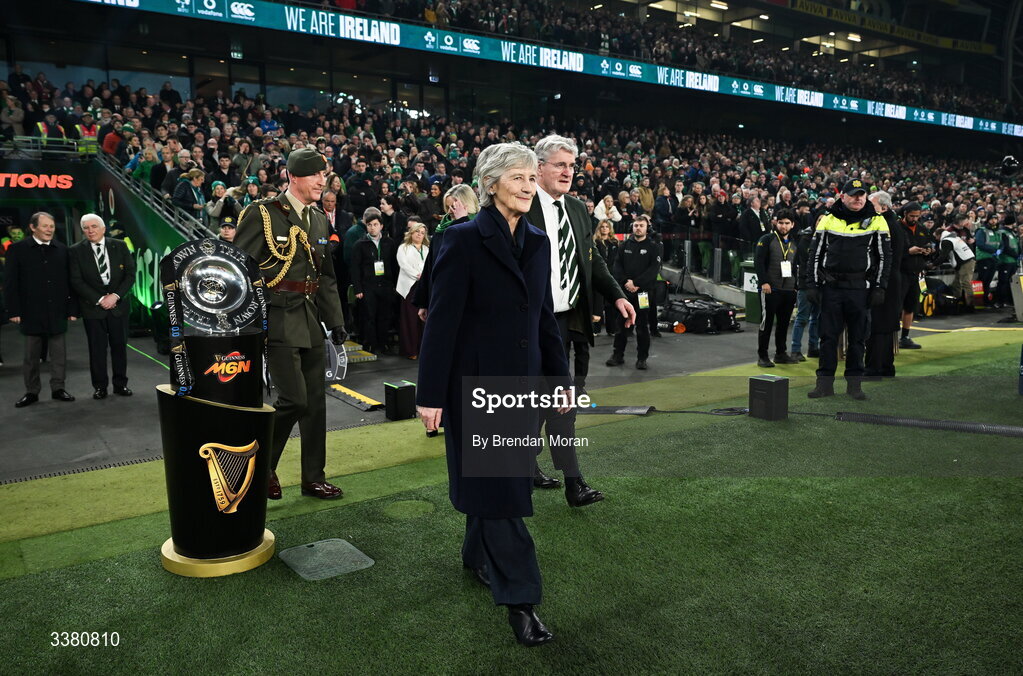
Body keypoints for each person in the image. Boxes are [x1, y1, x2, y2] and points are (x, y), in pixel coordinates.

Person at [416, 142, 568, 647]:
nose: (528, 186)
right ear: (490, 184)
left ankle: (473, 556)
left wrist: (559, 382)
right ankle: (521, 603)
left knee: (493, 485)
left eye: (531, 178)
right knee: (505, 494)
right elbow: (441, 323)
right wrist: (429, 393)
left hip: (522, 389)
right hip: (473, 390)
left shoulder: (539, 242)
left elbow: (543, 318)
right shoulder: (459, 241)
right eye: (519, 178)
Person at [234, 147, 348, 501]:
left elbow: (325, 277)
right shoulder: (263, 214)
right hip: (278, 317)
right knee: (294, 399)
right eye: (315, 175)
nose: (321, 182)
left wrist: (336, 320)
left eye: (324, 175)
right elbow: (241, 269)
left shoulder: (318, 219)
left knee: (315, 402)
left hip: (310, 318)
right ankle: (262, 464)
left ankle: (313, 477)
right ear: (293, 177)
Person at [526, 134, 633, 503]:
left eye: (572, 165)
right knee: (548, 400)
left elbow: (592, 261)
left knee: (555, 398)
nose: (569, 172)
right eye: (560, 164)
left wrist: (617, 295)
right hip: (528, 324)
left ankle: (559, 476)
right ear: (538, 168)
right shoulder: (521, 206)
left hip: (565, 321)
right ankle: (568, 480)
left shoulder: (577, 208)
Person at [804, 179, 891, 400]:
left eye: (861, 195)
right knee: (827, 339)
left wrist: (880, 287)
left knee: (858, 340)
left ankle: (854, 386)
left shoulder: (878, 221)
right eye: (853, 194)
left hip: (860, 289)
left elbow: (884, 258)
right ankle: (824, 385)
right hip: (831, 288)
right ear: (842, 197)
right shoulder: (827, 221)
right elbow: (814, 255)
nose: (858, 198)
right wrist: (811, 285)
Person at [4, 212, 79, 407]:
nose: (49, 230)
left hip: (57, 311)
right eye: (45, 226)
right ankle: (31, 391)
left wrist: (72, 309)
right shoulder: (17, 249)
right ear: (33, 227)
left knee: (59, 354)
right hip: (30, 311)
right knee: (31, 356)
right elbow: (10, 283)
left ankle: (58, 388)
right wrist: (13, 311)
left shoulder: (62, 250)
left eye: (51, 226)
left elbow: (69, 282)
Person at [69, 214, 136, 399]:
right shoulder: (75, 251)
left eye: (94, 226)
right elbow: (76, 280)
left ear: (103, 228)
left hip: (118, 306)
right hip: (92, 307)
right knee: (96, 350)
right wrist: (100, 299)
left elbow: (130, 274)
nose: (90, 231)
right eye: (86, 228)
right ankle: (100, 387)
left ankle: (120, 384)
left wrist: (115, 296)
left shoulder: (120, 246)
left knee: (119, 347)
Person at [414, 183, 479, 318]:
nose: (449, 211)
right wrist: (424, 302)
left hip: (467, 301)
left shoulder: (479, 227)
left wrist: (462, 221)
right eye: (447, 206)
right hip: (439, 295)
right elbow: (430, 266)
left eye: (454, 206)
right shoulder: (440, 230)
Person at [607, 214, 660, 371]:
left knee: (642, 326)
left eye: (641, 226)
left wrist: (636, 283)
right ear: (633, 227)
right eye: (636, 225)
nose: (638, 228)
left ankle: (642, 358)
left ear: (646, 228)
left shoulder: (653, 246)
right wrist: (626, 283)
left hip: (643, 294)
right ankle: (618, 355)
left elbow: (654, 270)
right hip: (626, 293)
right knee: (621, 324)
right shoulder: (624, 246)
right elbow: (617, 266)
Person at [864, 191, 906, 379]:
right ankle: (887, 367)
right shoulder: (894, 225)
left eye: (872, 205)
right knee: (886, 327)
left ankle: (873, 369)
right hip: (891, 280)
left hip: (883, 281)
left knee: (878, 326)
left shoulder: (885, 226)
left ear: (884, 207)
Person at [753, 208, 799, 368]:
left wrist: (796, 286)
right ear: (775, 223)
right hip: (770, 289)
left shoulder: (794, 243)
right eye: (780, 223)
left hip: (788, 290)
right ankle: (763, 356)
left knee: (784, 324)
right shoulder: (766, 239)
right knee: (766, 323)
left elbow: (795, 266)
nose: (783, 226)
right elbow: (758, 262)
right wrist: (764, 282)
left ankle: (781, 353)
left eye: (787, 223)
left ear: (792, 224)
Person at [350, 207, 398, 354]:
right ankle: (370, 343)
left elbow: (394, 265)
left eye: (375, 224)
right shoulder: (360, 244)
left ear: (381, 226)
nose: (372, 227)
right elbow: (355, 268)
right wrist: (358, 289)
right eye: (369, 225)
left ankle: (383, 343)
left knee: (384, 315)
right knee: (369, 315)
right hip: (368, 285)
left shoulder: (389, 242)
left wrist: (395, 286)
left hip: (386, 284)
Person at [896, 203, 932, 349]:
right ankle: (890, 336)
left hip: (917, 273)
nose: (915, 219)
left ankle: (905, 336)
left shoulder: (922, 229)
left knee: (910, 306)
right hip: (901, 272)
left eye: (917, 216)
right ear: (905, 213)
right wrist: (908, 252)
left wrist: (928, 251)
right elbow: (892, 250)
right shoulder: (897, 228)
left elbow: (928, 243)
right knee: (896, 306)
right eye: (912, 216)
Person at [396, 223, 429, 359]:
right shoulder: (403, 248)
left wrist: (425, 277)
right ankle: (410, 350)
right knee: (409, 319)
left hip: (423, 286)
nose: (419, 234)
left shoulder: (427, 249)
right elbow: (403, 265)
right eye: (417, 232)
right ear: (411, 233)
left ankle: (422, 349)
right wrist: (417, 275)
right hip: (409, 286)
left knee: (423, 320)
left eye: (422, 232)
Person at [939, 215, 976, 310]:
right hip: (958, 259)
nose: (967, 223)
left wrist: (972, 241)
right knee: (957, 283)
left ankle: (970, 305)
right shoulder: (949, 231)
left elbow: (970, 240)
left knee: (965, 282)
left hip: (965, 259)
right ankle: (957, 302)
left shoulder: (965, 230)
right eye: (966, 221)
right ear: (961, 221)